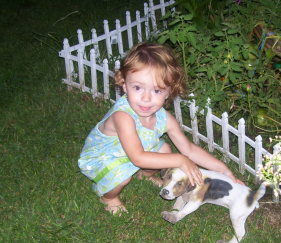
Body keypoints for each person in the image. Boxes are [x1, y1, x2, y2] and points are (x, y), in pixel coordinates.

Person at [78, 42, 242, 214]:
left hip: (130, 152)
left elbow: (189, 149)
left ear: (169, 91)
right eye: (137, 88)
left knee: (164, 150)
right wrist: (180, 160)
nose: (146, 98)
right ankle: (108, 197)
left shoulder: (165, 118)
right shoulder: (123, 117)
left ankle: (145, 175)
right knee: (123, 177)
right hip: (103, 156)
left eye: (157, 91)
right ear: (124, 84)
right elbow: (138, 158)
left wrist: (225, 171)